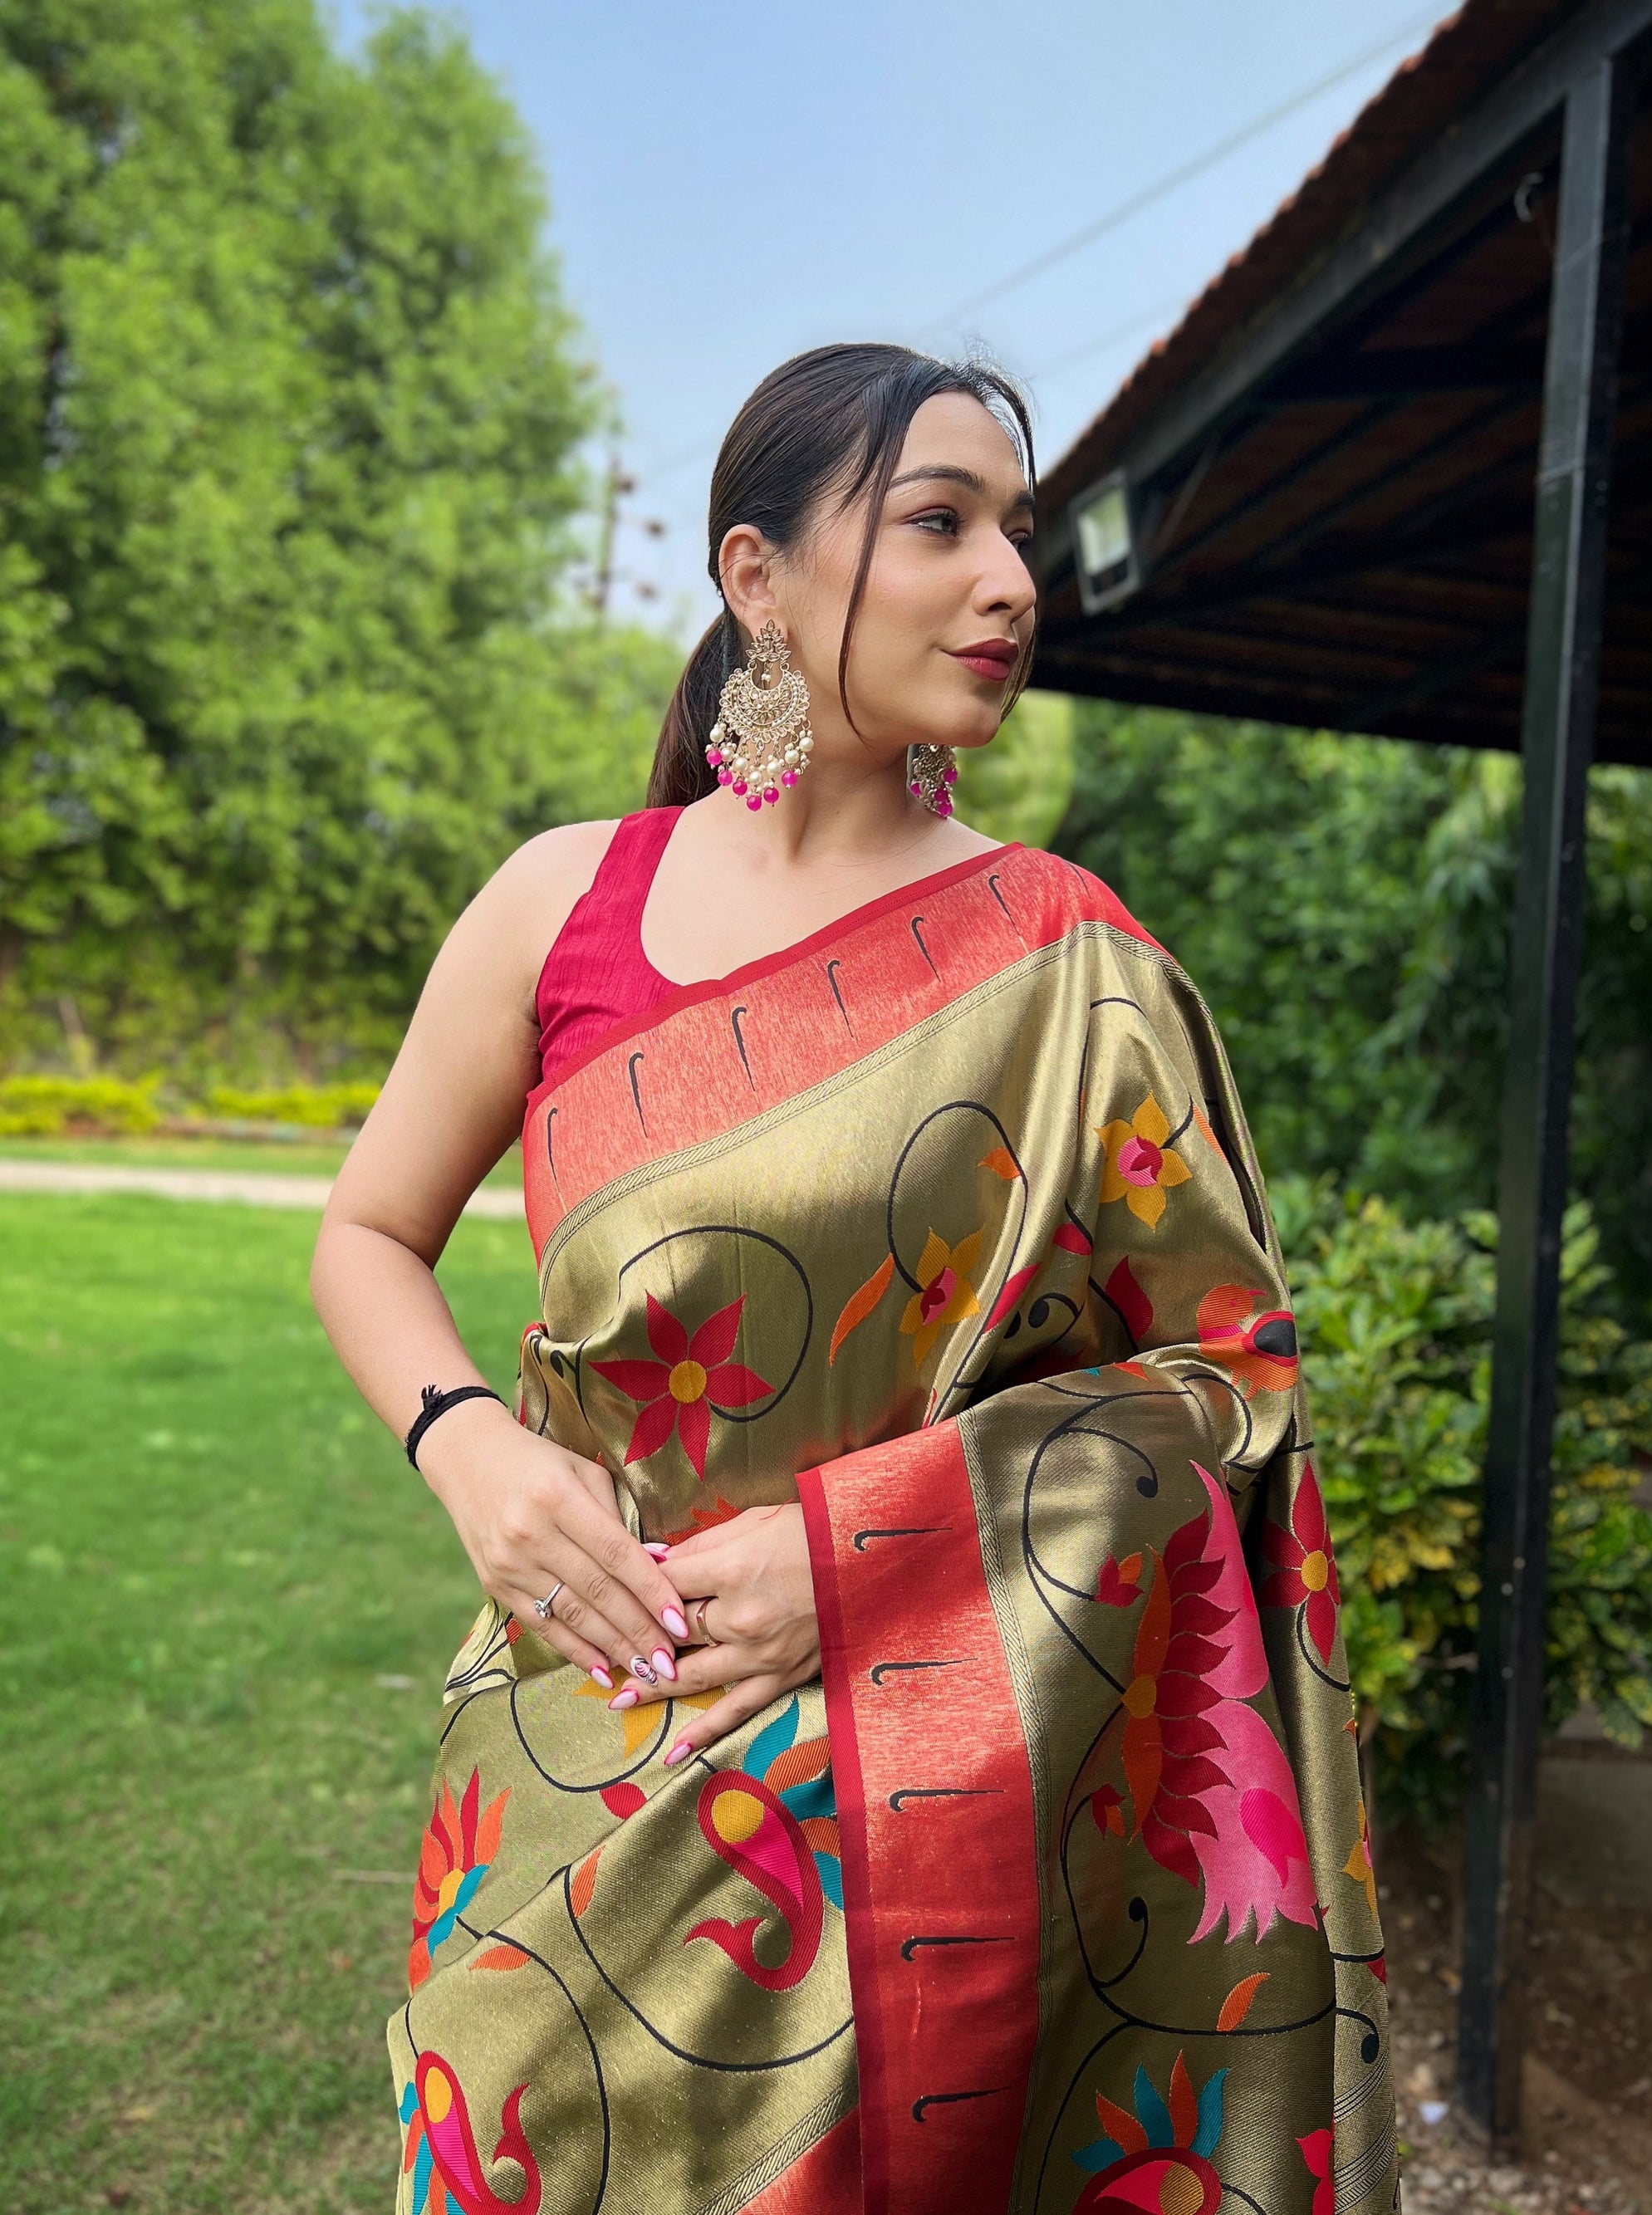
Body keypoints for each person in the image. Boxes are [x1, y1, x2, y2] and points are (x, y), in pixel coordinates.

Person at [311, 342, 1395, 2215]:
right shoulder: (563, 903)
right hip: (570, 1755)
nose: (1011, 582)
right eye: (939, 523)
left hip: (937, 1817)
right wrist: (468, 1445)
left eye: (1019, 535)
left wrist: (859, 1553)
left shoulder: (1067, 966)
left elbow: (1232, 1377)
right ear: (756, 574)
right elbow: (365, 1232)